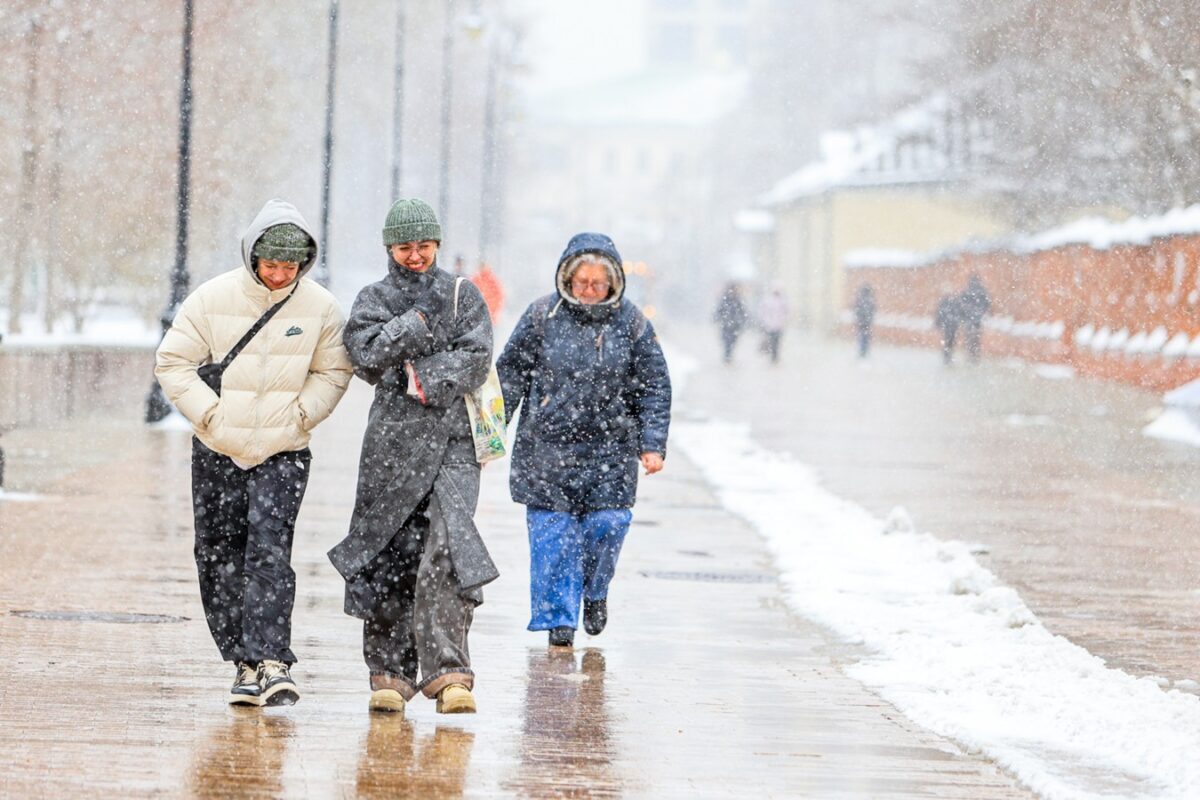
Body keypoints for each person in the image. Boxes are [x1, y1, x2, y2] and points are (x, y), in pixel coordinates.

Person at [155, 199, 352, 706]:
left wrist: (300, 417)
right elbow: (173, 362)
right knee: (217, 553)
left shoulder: (321, 308)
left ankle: (272, 659)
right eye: (272, 265)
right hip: (217, 447)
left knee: (269, 549)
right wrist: (211, 416)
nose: (281, 274)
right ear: (252, 257)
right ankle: (241, 660)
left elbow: (333, 372)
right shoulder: (210, 299)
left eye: (291, 266)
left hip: (283, 449)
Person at [328, 197, 498, 717]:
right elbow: (364, 353)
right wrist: (417, 327)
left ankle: (450, 674)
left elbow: (477, 356)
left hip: (453, 444)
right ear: (389, 248)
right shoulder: (372, 296)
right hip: (392, 446)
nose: (416, 255)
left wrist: (418, 375)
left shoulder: (463, 296)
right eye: (406, 246)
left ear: (437, 245)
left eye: (424, 245)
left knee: (446, 546)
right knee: (390, 548)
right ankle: (390, 674)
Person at [497, 232, 671, 648]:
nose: (589, 291)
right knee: (552, 537)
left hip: (609, 451)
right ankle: (560, 622)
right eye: (581, 283)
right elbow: (509, 377)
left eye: (598, 284)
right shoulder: (542, 316)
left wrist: (652, 443)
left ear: (613, 283)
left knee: (607, 526)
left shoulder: (631, 324)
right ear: (566, 279)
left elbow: (654, 386)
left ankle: (594, 593)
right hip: (546, 450)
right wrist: (488, 436)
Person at [958, 273, 991, 363]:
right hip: (977, 319)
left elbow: (961, 305)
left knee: (969, 336)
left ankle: (970, 353)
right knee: (976, 337)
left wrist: (964, 315)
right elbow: (987, 304)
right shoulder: (982, 291)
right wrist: (981, 312)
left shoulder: (966, 292)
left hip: (969, 319)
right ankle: (975, 354)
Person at [714, 282, 747, 364]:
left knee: (733, 341)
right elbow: (719, 310)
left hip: (735, 325)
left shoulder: (738, 300)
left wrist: (743, 319)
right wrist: (716, 317)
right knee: (727, 341)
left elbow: (743, 312)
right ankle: (727, 357)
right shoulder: (725, 299)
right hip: (726, 324)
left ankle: (728, 356)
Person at [757, 286, 789, 364]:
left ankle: (775, 356)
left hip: (778, 325)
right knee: (772, 341)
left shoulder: (782, 301)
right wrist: (764, 321)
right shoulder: (768, 301)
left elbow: (787, 312)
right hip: (770, 325)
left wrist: (784, 320)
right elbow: (762, 312)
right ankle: (773, 357)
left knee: (777, 342)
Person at [469, 260, 505, 325]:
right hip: (483, 316)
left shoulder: (490, 279)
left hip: (481, 317)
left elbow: (499, 296)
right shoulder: (477, 279)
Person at [935, 293, 961, 365]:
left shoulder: (944, 303)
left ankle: (947, 356)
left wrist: (938, 323)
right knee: (950, 341)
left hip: (948, 326)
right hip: (952, 326)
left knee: (948, 341)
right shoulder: (955, 302)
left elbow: (939, 314)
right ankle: (948, 356)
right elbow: (959, 313)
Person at [853, 284, 876, 358]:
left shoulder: (860, 299)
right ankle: (864, 351)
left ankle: (863, 351)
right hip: (866, 322)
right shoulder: (870, 300)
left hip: (862, 322)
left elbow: (856, 310)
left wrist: (858, 319)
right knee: (865, 337)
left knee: (862, 336)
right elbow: (873, 311)